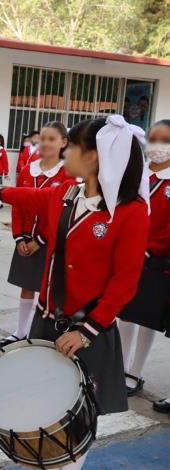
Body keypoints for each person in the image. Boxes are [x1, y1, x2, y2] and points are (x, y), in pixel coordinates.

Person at [0, 115, 150, 470]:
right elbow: (30, 196)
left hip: (87, 333)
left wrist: (87, 332)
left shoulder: (131, 212)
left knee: (75, 422)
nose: (65, 152)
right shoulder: (67, 193)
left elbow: (125, 282)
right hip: (47, 321)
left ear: (94, 156)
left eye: (73, 146)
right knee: (37, 407)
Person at [0, 121, 74, 348]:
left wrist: (39, 241)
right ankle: (21, 331)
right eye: (42, 138)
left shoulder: (67, 173)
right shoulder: (29, 167)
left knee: (48, 290)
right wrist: (19, 237)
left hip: (49, 244)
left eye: (51, 139)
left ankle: (42, 334)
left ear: (64, 142)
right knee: (26, 286)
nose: (45, 143)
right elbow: (18, 202)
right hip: (25, 240)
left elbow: (62, 214)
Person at [119, 119, 170, 399]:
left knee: (147, 317)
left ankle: (135, 372)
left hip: (156, 260)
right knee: (124, 315)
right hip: (128, 255)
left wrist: (150, 248)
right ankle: (120, 366)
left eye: (165, 140)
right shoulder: (137, 174)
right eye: (154, 139)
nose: (157, 146)